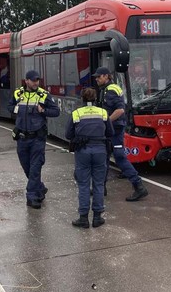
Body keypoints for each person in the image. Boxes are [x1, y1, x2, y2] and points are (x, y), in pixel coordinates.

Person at [93, 66, 149, 202]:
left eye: (99, 77)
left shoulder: (111, 90)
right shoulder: (109, 89)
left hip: (114, 129)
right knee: (105, 157)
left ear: (106, 76)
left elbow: (120, 110)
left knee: (119, 158)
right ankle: (101, 188)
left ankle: (138, 186)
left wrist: (106, 122)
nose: (96, 79)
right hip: (114, 129)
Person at [8, 70, 60, 209]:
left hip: (37, 138)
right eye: (33, 80)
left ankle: (31, 196)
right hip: (22, 137)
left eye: (37, 80)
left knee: (35, 168)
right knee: (27, 168)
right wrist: (17, 110)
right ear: (27, 81)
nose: (36, 82)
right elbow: (9, 107)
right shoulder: (18, 93)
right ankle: (40, 188)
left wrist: (43, 111)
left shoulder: (43, 95)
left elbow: (56, 111)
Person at [66, 88, 113, 228]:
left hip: (83, 151)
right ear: (95, 99)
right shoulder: (103, 113)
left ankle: (83, 218)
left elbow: (68, 134)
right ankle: (98, 217)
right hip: (100, 150)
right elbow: (111, 132)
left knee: (84, 184)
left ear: (82, 99)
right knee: (98, 183)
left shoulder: (76, 113)